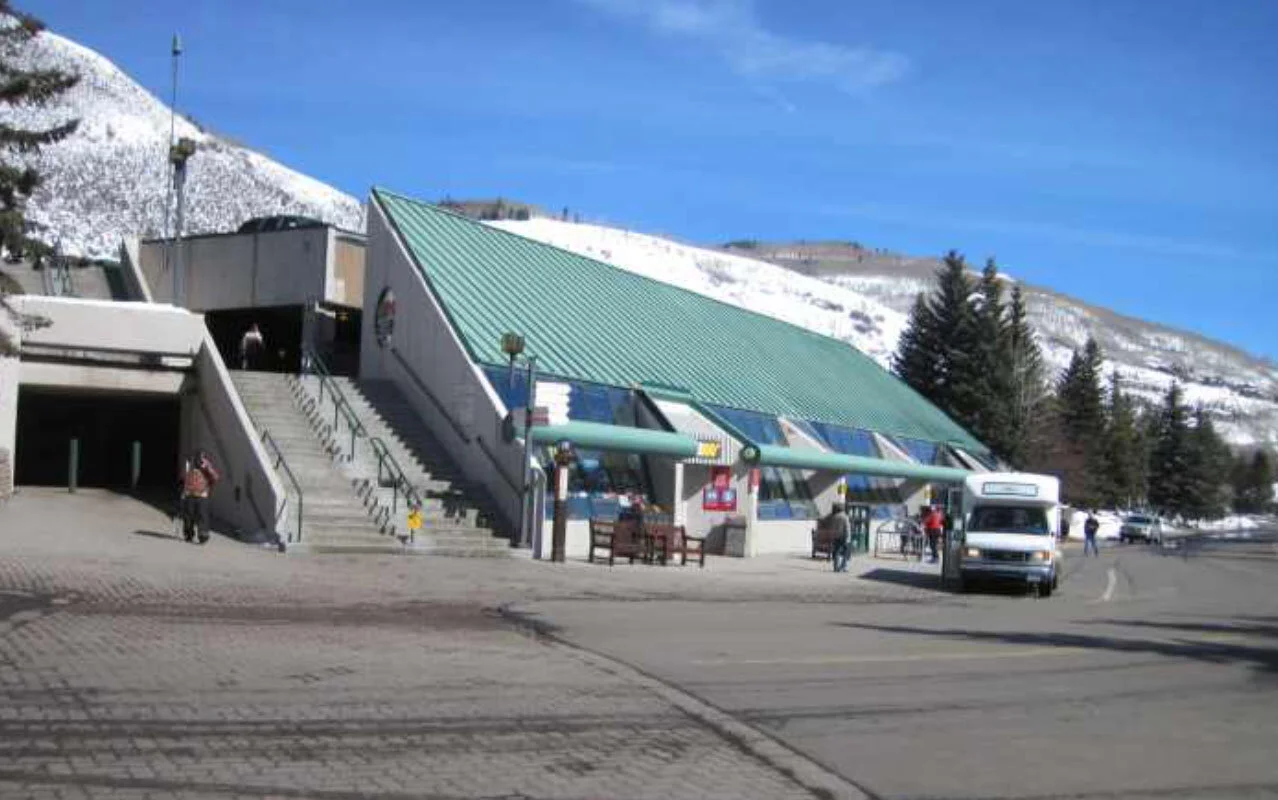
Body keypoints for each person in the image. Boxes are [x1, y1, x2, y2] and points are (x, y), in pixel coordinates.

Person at [179, 450, 220, 544]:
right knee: (188, 516)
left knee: (202, 516)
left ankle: (203, 535)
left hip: (202, 496)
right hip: (190, 494)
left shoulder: (207, 467)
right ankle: (188, 534)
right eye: (197, 458)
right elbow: (183, 478)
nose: (199, 460)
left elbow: (215, 478)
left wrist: (207, 468)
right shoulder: (189, 467)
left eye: (201, 458)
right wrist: (183, 492)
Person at [828, 503, 853, 573]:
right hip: (844, 536)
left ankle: (836, 567)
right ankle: (843, 566)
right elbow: (847, 528)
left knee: (836, 552)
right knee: (846, 552)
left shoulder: (835, 517)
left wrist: (832, 535)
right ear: (843, 509)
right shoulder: (845, 517)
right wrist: (848, 537)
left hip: (836, 536)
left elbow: (832, 528)